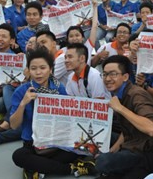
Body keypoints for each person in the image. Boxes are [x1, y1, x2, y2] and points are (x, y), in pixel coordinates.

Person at [10, 47, 95, 178]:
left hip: (57, 141)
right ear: (28, 70)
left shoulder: (59, 87)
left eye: (43, 68)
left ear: (50, 69)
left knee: (82, 148)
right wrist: (23, 104)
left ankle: (36, 167)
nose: (38, 72)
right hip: (33, 144)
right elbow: (14, 125)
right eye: (33, 68)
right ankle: (71, 168)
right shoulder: (21, 91)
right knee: (18, 156)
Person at [95, 55, 153, 178]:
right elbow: (126, 131)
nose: (107, 79)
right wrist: (112, 151)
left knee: (103, 161)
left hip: (149, 153)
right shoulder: (119, 93)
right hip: (133, 144)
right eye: (105, 74)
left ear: (125, 77)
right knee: (99, 137)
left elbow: (151, 128)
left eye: (113, 74)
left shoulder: (136, 94)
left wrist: (120, 108)